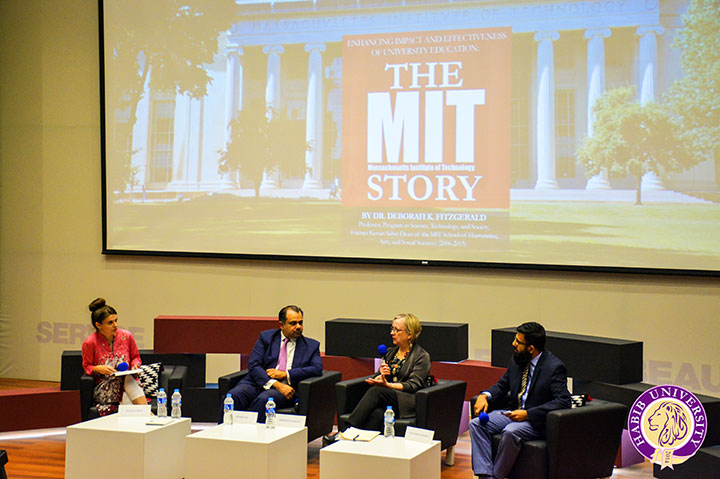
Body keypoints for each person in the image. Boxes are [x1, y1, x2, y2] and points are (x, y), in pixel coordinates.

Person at [469, 322, 571, 479]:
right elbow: (503, 384)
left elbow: (563, 401)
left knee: (510, 432)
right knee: (476, 424)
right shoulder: (517, 359)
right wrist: (485, 395)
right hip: (511, 412)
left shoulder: (554, 367)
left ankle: (496, 476)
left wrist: (528, 414)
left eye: (518, 341)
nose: (513, 344)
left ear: (531, 348)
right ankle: (485, 475)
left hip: (536, 421)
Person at [223, 305, 322, 422]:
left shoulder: (311, 346)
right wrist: (276, 384)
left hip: (286, 389)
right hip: (258, 383)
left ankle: (252, 437)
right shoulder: (266, 338)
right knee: (234, 395)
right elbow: (254, 364)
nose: (298, 327)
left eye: (301, 323)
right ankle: (221, 435)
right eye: (293, 323)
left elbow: (317, 369)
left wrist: (285, 374)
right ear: (281, 325)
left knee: (264, 400)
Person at [345, 313, 431, 431]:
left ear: (409, 335)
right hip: (388, 398)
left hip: (407, 400)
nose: (392, 333)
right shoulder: (390, 353)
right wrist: (380, 375)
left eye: (397, 330)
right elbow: (379, 377)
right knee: (377, 413)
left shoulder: (421, 356)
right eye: (392, 329)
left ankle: (347, 430)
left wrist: (388, 385)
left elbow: (413, 385)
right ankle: (363, 444)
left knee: (376, 391)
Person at [82, 297, 148, 416]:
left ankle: (145, 417)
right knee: (127, 387)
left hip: (128, 381)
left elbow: (136, 358)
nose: (116, 325)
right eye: (110, 322)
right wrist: (98, 368)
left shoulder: (127, 336)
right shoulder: (90, 342)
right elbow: (87, 366)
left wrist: (134, 366)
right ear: (98, 325)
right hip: (106, 385)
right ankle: (149, 416)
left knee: (127, 380)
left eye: (116, 320)